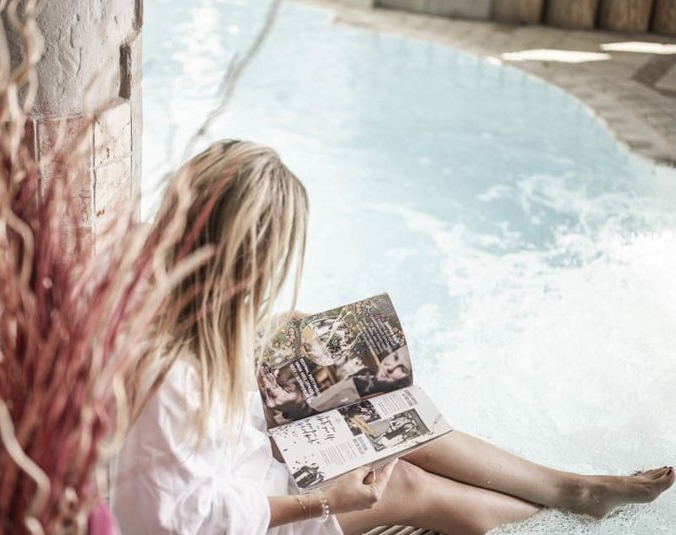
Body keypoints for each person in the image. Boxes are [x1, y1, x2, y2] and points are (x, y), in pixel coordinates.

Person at [109, 140, 675, 535]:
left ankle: (571, 489)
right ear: (244, 265)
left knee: (384, 411)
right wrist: (327, 500)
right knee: (403, 484)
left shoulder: (158, 292)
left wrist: (275, 335)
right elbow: (181, 521)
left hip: (239, 449)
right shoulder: (172, 380)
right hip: (245, 510)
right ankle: (551, 524)